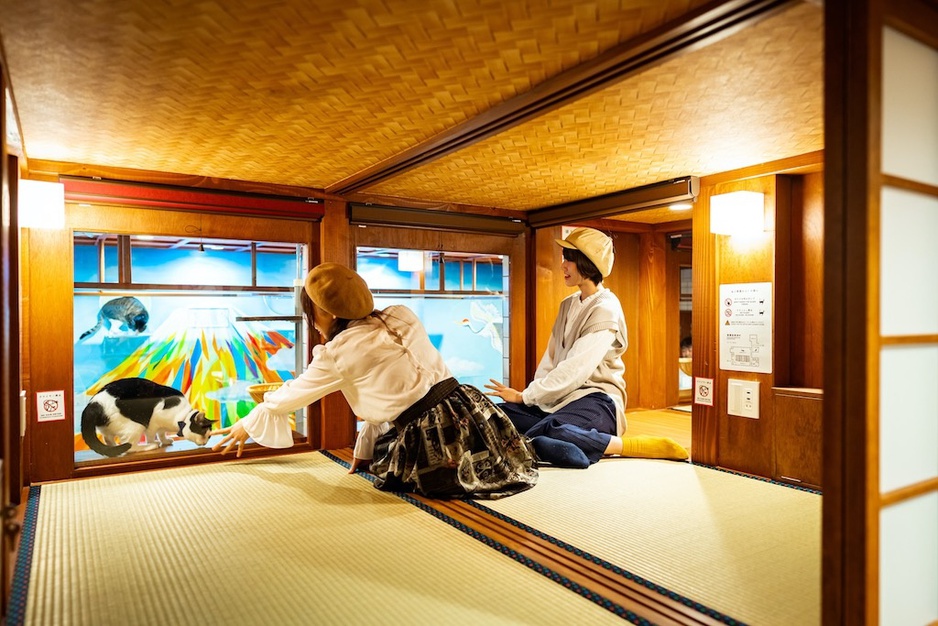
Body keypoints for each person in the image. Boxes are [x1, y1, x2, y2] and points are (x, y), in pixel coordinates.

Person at [213, 263, 537, 499]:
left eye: (314, 312)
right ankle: (550, 442)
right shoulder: (400, 314)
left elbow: (292, 395)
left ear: (327, 314)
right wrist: (365, 448)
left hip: (436, 433)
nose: (312, 322)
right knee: (510, 463)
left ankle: (559, 440)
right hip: (474, 412)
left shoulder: (339, 352)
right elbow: (394, 392)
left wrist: (249, 422)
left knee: (425, 481)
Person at [485, 227, 688, 468]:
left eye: (568, 259)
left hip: (596, 400)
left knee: (553, 429)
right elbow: (550, 361)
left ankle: (627, 446)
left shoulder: (606, 309)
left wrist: (524, 395)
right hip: (558, 400)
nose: (563, 266)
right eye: (564, 259)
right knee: (493, 417)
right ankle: (553, 447)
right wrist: (529, 399)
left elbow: (575, 369)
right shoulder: (567, 305)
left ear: (587, 263)